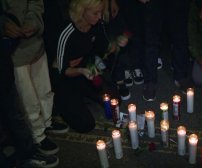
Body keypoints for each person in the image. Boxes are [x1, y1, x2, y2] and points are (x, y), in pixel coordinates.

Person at [4, 0, 68, 156]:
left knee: (43, 88)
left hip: (34, 42)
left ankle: (47, 121)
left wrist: (33, 22)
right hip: (13, 49)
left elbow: (36, 4)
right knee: (28, 97)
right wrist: (5, 25)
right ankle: (37, 134)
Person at [55, 0, 120, 132]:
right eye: (95, 13)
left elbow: (103, 49)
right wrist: (80, 70)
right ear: (81, 11)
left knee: (115, 100)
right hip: (66, 79)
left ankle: (84, 94)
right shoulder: (67, 31)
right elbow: (61, 70)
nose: (100, 17)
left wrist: (115, 44)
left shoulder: (96, 24)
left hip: (85, 73)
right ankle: (62, 104)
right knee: (85, 125)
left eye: (101, 12)